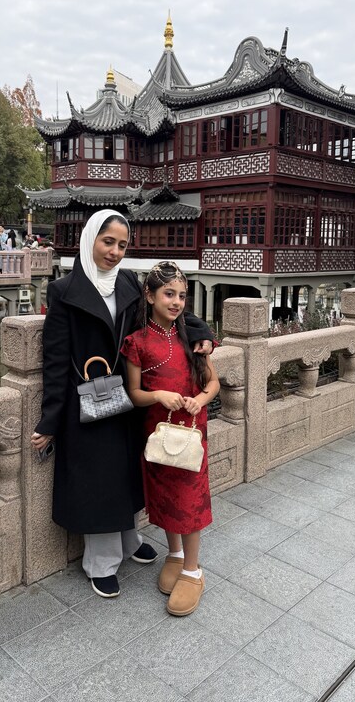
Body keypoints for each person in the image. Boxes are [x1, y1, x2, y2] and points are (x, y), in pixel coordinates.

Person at [30, 209, 214, 599]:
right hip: (92, 399)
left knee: (128, 474)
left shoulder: (129, 282)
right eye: (107, 241)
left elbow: (171, 310)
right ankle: (101, 562)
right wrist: (49, 421)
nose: (114, 251)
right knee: (98, 479)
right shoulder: (65, 291)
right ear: (90, 239)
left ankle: (129, 542)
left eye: (121, 244)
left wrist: (203, 334)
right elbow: (56, 358)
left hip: (132, 395)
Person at [122, 262, 219, 616]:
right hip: (158, 431)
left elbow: (213, 382)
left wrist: (201, 400)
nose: (177, 302)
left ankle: (193, 571)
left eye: (182, 295)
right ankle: (175, 554)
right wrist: (158, 395)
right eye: (168, 294)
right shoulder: (137, 343)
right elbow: (134, 393)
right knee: (164, 497)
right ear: (149, 296)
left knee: (188, 498)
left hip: (192, 430)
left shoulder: (192, 334)